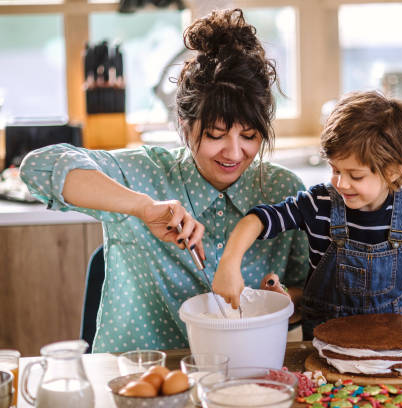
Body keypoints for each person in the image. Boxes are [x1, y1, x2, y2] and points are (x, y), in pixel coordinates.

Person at [19, 8, 309, 352]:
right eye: (216, 135)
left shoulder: (283, 191)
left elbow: (307, 291)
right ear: (185, 129)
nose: (234, 152)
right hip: (136, 377)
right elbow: (37, 168)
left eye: (249, 135)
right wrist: (142, 207)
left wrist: (282, 301)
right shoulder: (145, 175)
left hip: (239, 376)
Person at [213, 91, 402, 347]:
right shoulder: (320, 204)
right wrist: (229, 262)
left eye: (355, 175)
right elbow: (259, 219)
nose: (341, 183)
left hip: (399, 346)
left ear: (393, 170)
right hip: (328, 348)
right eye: (335, 169)